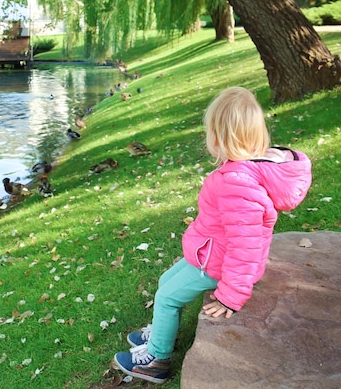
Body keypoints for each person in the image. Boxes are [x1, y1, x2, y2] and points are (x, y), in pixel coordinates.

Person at [113, 86, 312, 384]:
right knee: (166, 282)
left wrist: (231, 296)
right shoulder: (251, 168)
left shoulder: (237, 183)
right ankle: (162, 328)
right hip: (212, 253)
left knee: (166, 297)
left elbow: (245, 244)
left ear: (219, 138)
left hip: (218, 266)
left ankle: (156, 360)